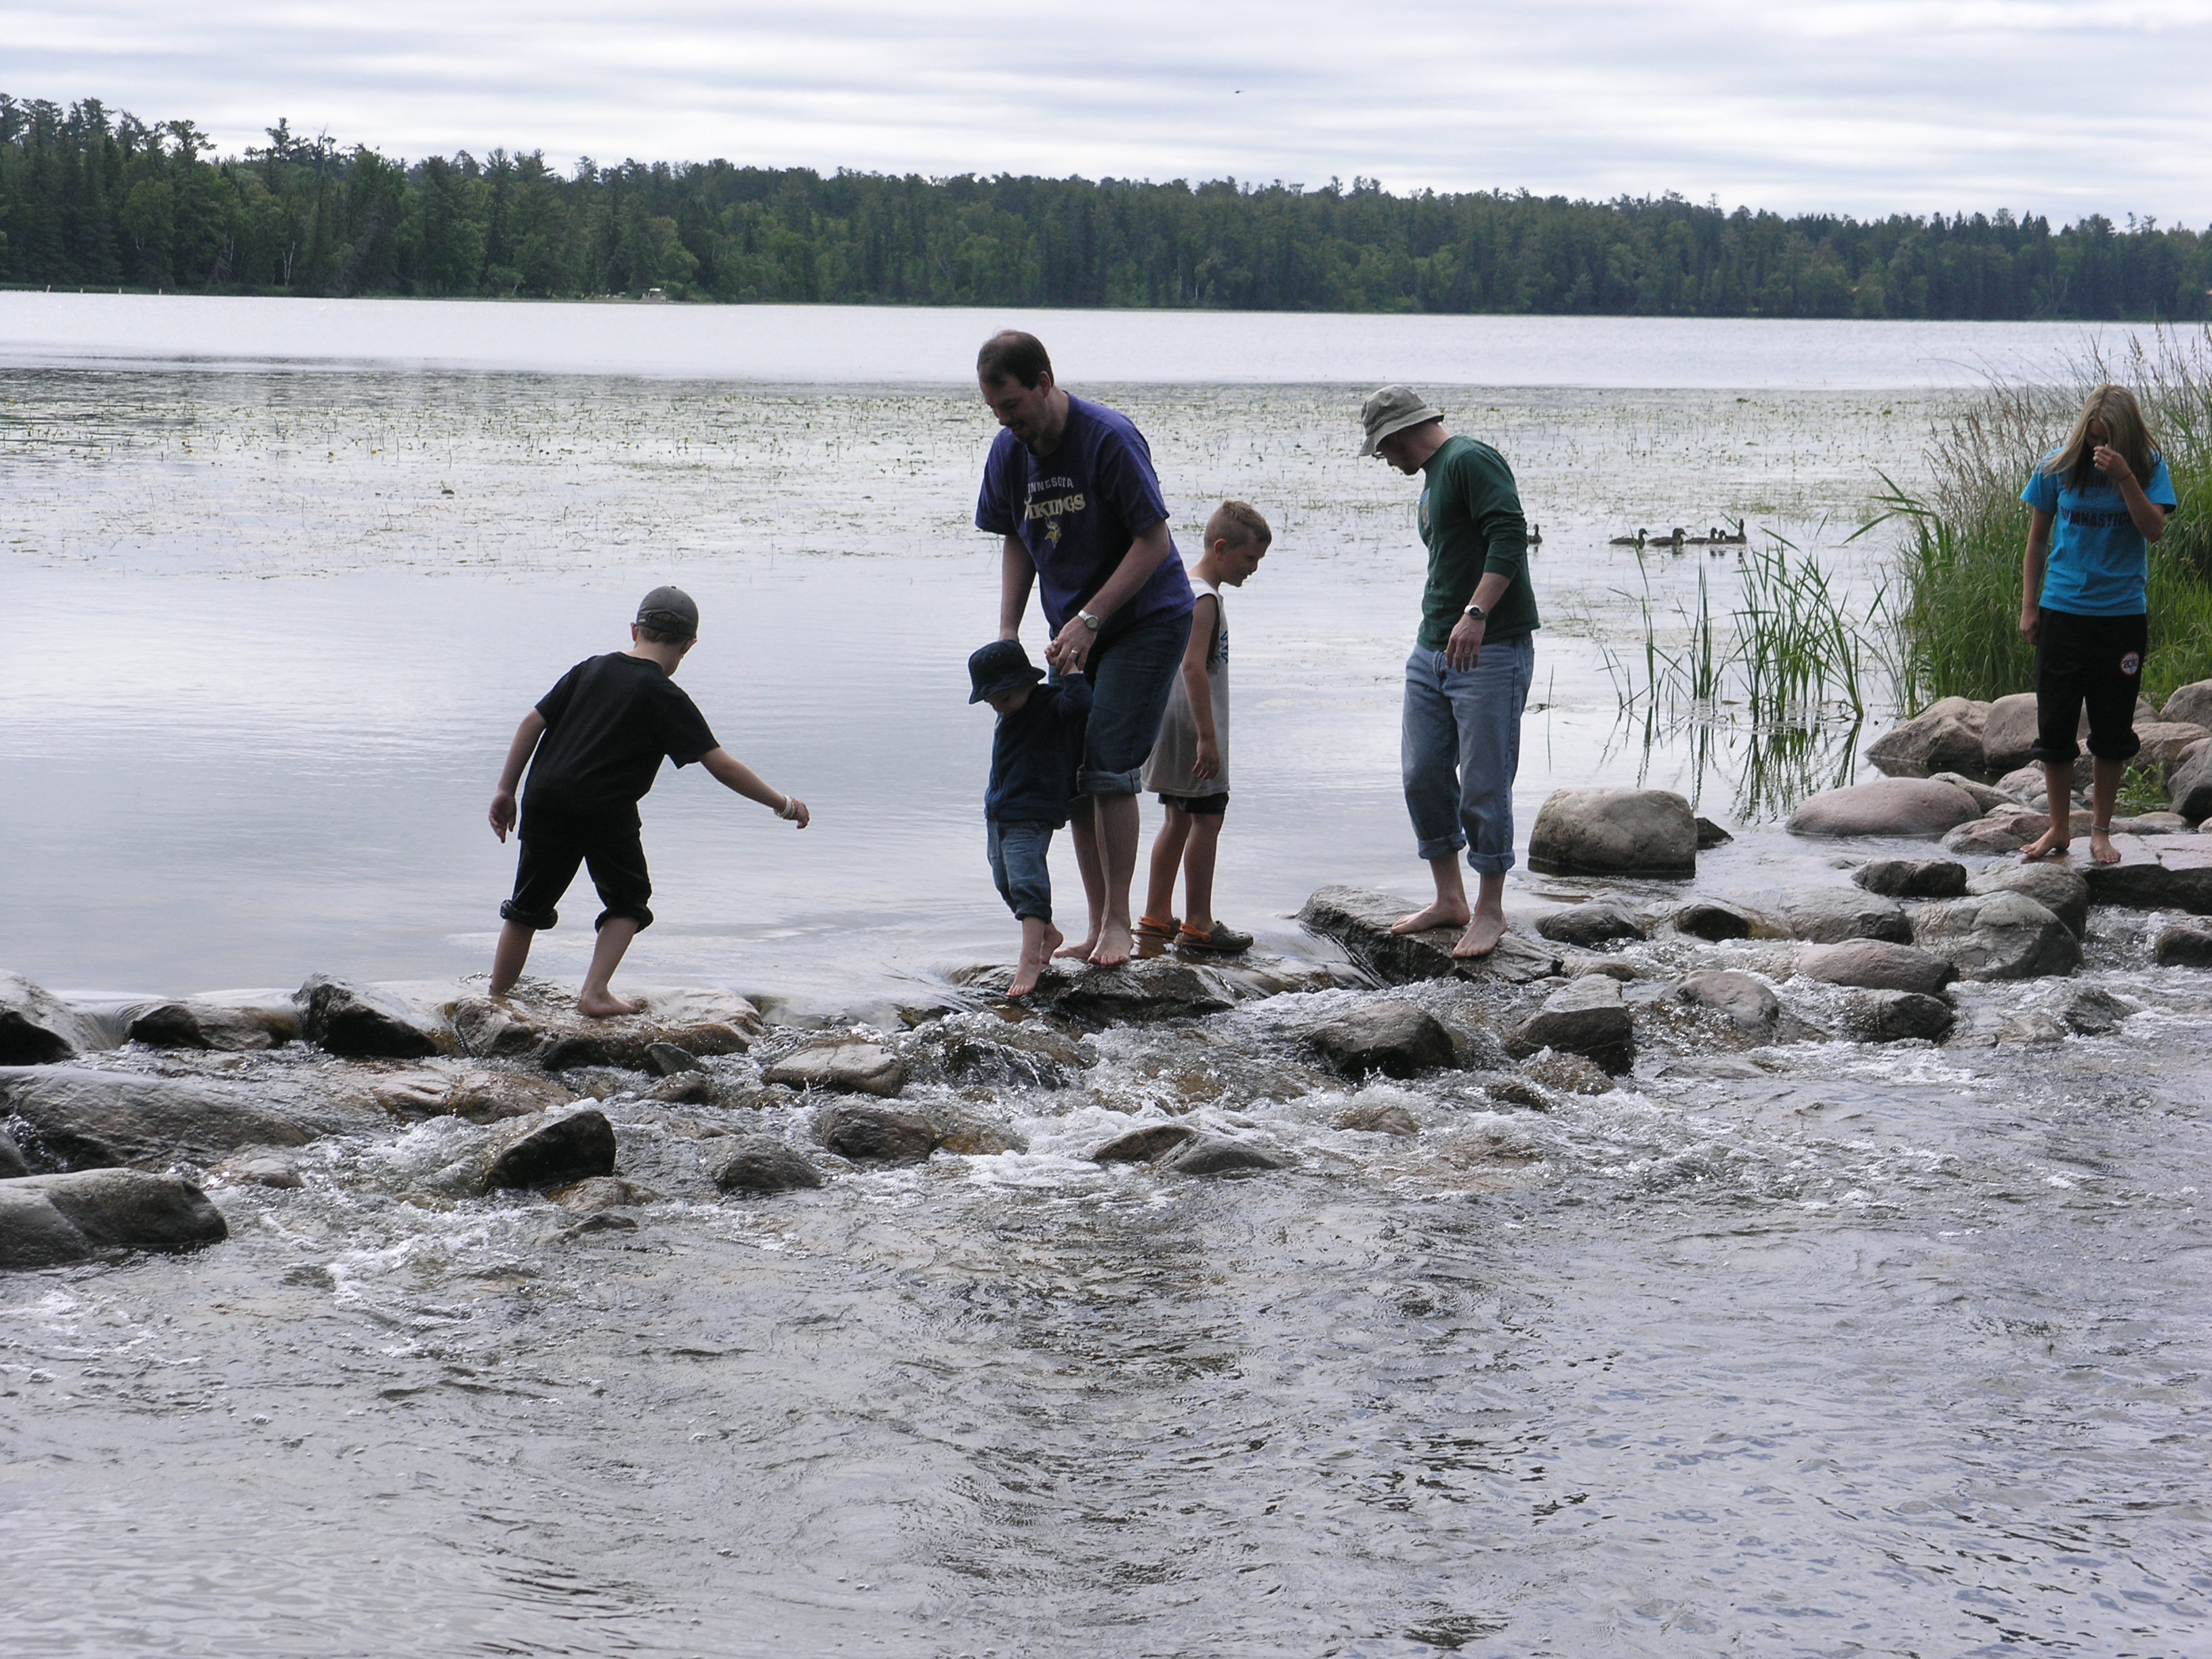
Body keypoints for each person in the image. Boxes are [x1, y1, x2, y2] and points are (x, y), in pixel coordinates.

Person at [975, 330, 1194, 968]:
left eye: (1012, 405)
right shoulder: (1008, 453)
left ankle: (1121, 923)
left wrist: (1092, 618)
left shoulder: (1107, 437)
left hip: (1145, 620)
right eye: (995, 410)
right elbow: (1017, 538)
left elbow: (1153, 542)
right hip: (1074, 629)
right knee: (1070, 774)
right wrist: (1009, 629)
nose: (1005, 421)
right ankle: (1097, 922)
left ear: (1044, 383)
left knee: (1107, 763)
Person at [487, 586, 810, 1015]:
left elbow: (532, 722)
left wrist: (505, 789)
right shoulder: (665, 696)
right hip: (605, 810)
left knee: (526, 906)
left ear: (635, 630)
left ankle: (496, 998)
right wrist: (781, 803)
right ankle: (594, 993)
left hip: (546, 799)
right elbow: (720, 764)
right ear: (689, 645)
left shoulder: (590, 669)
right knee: (629, 900)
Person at [1360, 384, 1538, 958]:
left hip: (1490, 647)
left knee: (1485, 781)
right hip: (1432, 645)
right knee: (1422, 773)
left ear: (1398, 434)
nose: (1385, 460)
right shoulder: (1435, 476)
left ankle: (1490, 910)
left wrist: (1477, 613)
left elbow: (1509, 534)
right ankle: (1449, 899)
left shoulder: (1469, 459)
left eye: (1383, 449)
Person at [2018, 384, 2178, 866]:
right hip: (2063, 610)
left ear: (2125, 434)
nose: (2098, 447)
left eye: (2107, 438)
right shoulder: (2057, 467)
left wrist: (2125, 476)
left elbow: (2154, 530)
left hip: (2121, 616)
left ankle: (2101, 830)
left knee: (2112, 727)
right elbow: (2037, 540)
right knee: (2055, 725)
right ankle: (2059, 827)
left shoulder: (2148, 466)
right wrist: (2029, 607)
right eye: (2092, 438)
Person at [1137, 499, 1272, 954]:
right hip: (1193, 728)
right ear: (1221, 549)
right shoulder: (1206, 599)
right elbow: (1194, 667)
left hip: (1170, 724)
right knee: (1208, 817)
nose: (1253, 568)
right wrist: (1208, 738)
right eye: (1249, 557)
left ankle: (1156, 915)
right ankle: (1198, 922)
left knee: (1177, 818)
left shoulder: (1182, 586)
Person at [968, 640, 1093, 997]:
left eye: (1005, 698)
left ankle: (1029, 959)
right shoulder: (1008, 713)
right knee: (1004, 881)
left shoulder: (1050, 703)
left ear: (1027, 682)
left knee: (1027, 881)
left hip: (1033, 811)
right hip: (999, 810)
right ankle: (1049, 933)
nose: (1000, 707)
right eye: (992, 702)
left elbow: (1080, 704)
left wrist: (1071, 672)